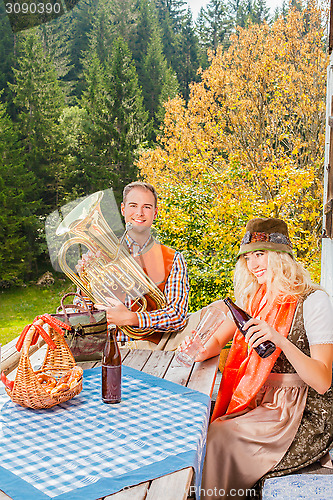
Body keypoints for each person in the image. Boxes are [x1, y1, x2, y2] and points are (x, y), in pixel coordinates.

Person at [184, 217, 333, 499]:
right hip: (261, 400)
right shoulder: (255, 298)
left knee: (218, 437)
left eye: (261, 254)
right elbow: (217, 340)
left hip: (300, 410)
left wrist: (280, 341)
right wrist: (199, 349)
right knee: (198, 427)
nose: (253, 265)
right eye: (248, 257)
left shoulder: (314, 301)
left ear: (281, 255)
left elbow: (323, 381)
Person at [78, 181, 190, 350]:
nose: (139, 213)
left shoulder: (173, 259)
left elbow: (178, 316)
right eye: (133, 206)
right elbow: (81, 313)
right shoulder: (99, 254)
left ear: (155, 212)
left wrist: (131, 318)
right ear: (123, 210)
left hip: (150, 350)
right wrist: (85, 285)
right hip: (104, 347)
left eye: (146, 207)